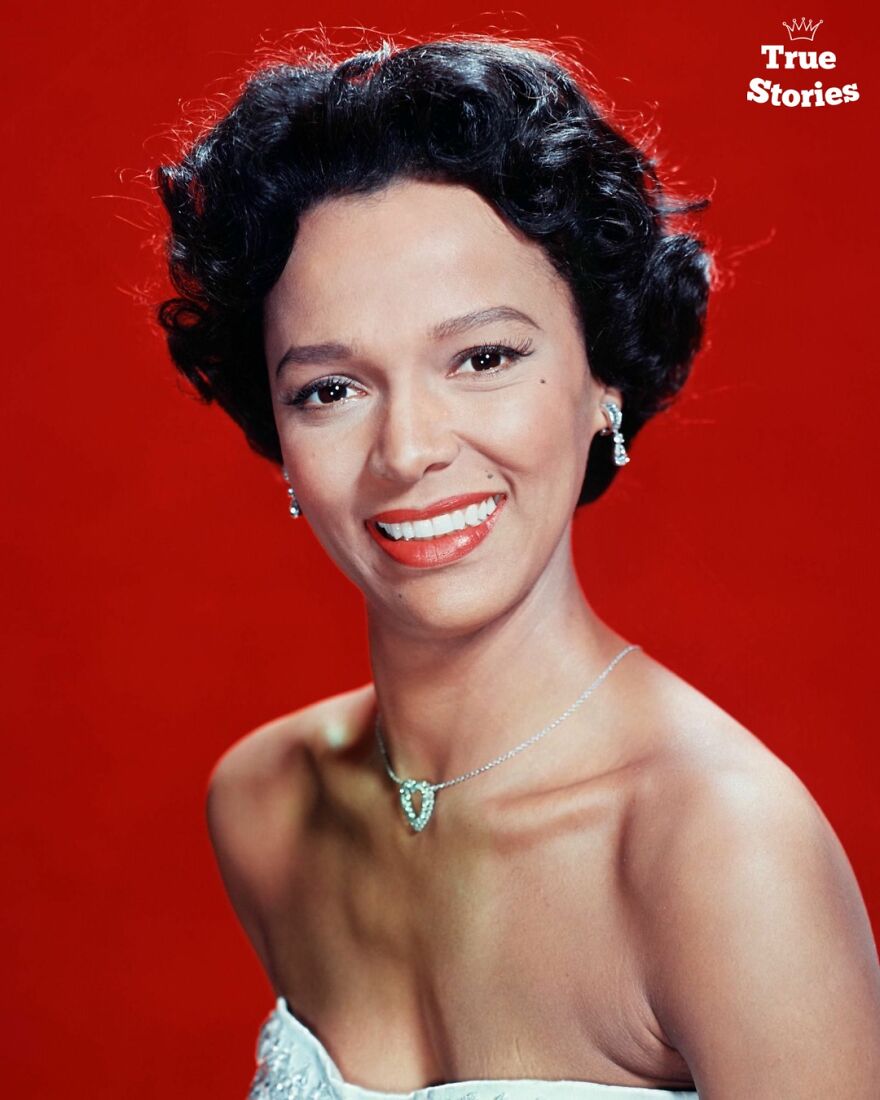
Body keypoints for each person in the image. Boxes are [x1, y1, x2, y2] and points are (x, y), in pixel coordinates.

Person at [154, 32, 880, 1099]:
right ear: (279, 431)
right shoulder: (264, 806)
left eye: (484, 357)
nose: (407, 449)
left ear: (603, 382)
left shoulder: (716, 849)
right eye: (330, 388)